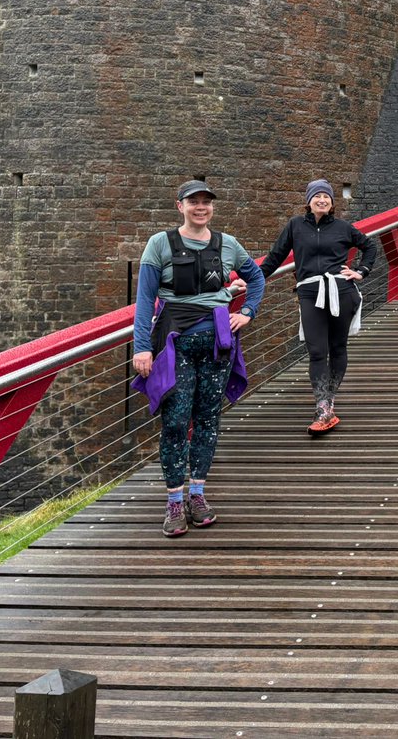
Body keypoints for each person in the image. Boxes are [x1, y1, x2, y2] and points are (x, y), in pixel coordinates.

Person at [131, 180, 265, 538]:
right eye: (193, 202)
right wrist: (141, 347)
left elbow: (256, 277)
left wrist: (248, 311)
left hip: (218, 343)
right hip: (174, 344)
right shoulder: (160, 244)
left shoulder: (228, 244)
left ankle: (198, 494)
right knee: (176, 421)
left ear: (212, 207)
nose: (201, 207)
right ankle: (174, 501)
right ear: (180, 206)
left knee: (207, 419)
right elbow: (144, 300)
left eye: (206, 202)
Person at [260, 178, 377, 435]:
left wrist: (361, 271)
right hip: (310, 292)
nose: (322, 200)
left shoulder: (343, 227)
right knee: (316, 351)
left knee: (338, 347)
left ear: (332, 202)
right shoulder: (295, 226)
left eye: (326, 196)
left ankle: (327, 402)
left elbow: (369, 246)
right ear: (309, 201)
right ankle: (323, 405)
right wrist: (252, 279)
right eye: (317, 196)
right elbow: (275, 257)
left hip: (341, 292)